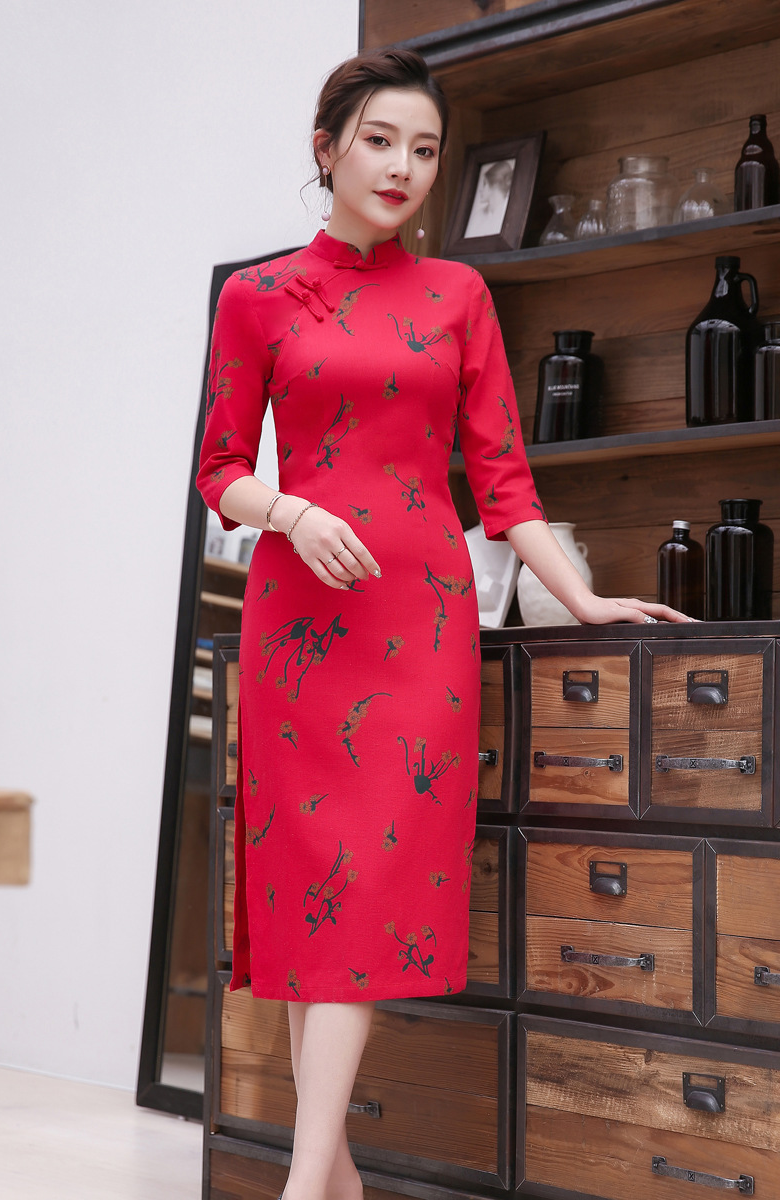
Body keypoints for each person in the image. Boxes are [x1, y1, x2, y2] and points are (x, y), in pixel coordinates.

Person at [196, 47, 690, 1200]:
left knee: (364, 893)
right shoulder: (256, 297)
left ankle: (304, 1187)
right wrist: (293, 511)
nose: (402, 168)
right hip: (299, 627)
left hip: (418, 629)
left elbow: (502, 484)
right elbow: (220, 471)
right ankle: (328, 1185)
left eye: (423, 150)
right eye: (379, 141)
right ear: (326, 150)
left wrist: (583, 598)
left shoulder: (457, 296)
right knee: (316, 903)